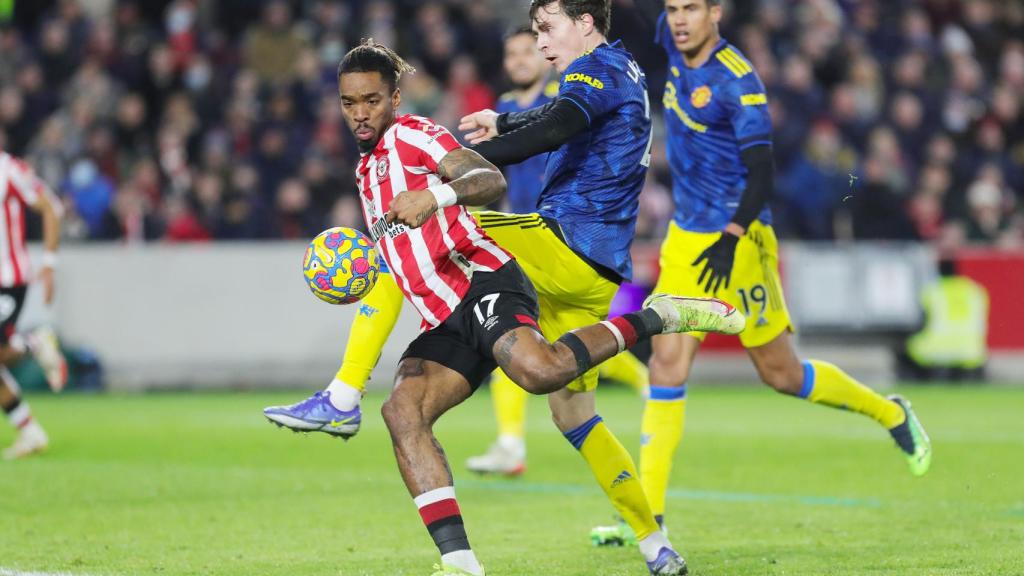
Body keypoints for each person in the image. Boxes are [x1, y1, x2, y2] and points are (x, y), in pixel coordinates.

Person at [290, 39, 740, 576]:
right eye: (349, 103)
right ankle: (473, 561)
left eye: (371, 100)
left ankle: (657, 316)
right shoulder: (374, 169)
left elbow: (496, 171)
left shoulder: (426, 133)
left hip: (532, 256)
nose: (360, 113)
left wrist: (438, 195)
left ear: (395, 97)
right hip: (472, 297)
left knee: (538, 371)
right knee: (412, 409)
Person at [590, 0, 934, 545]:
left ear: (716, 13)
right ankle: (647, 518)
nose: (679, 20)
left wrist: (731, 236)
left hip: (739, 241)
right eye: (673, 9)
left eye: (690, 10)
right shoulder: (671, 38)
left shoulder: (739, 82)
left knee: (781, 375)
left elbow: (763, 170)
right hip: (686, 240)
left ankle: (890, 413)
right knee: (667, 364)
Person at [466, 25, 649, 477]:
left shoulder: (577, 80)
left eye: (535, 44)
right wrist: (503, 123)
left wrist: (449, 175)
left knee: (520, 334)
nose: (526, 58)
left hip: (562, 235)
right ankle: (652, 537)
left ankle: (349, 387)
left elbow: (555, 124)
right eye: (513, 54)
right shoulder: (509, 104)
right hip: (539, 228)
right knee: (556, 376)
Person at [0, 151, 68, 459]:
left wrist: (50, 263)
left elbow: (51, 206)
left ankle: (33, 342)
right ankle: (30, 431)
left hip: (8, 279)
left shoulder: (9, 171)